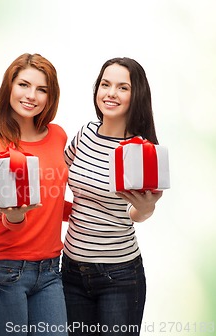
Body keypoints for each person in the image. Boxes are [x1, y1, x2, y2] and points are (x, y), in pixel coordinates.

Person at [61, 57, 163, 336]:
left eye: (122, 87)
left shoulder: (141, 150)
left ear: (136, 95)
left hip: (118, 276)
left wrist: (145, 209)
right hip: (70, 271)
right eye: (105, 84)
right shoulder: (85, 134)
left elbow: (137, 212)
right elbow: (57, 177)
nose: (111, 93)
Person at [0, 53, 68, 336]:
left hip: (51, 270)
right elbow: (7, 216)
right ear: (9, 88)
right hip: (4, 272)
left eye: (42, 89)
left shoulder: (59, 136)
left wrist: (90, 210)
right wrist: (15, 218)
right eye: (24, 85)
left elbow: (52, 200)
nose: (31, 96)